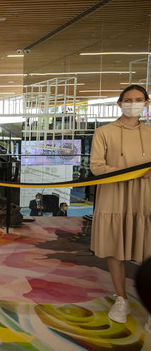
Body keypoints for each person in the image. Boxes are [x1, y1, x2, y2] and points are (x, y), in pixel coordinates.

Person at [90, 84, 151, 325]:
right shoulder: (104, 132)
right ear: (119, 103)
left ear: (146, 103)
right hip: (113, 195)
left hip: (144, 196)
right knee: (115, 246)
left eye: (139, 99)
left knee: (146, 245)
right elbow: (97, 167)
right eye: (128, 99)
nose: (133, 103)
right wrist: (134, 173)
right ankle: (121, 298)